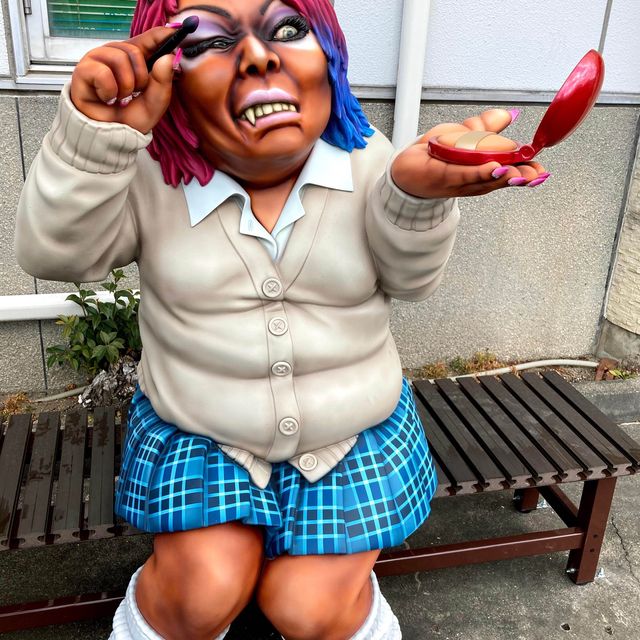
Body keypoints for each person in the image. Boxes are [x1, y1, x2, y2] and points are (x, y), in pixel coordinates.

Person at [15, 0, 549, 638]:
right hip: (203, 431)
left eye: (288, 29)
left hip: (350, 432)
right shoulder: (150, 175)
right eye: (208, 40)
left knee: (308, 609)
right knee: (201, 596)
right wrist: (94, 144)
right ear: (167, 77)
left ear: (329, 53)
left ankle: (337, 585)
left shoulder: (369, 160)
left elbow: (412, 282)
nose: (258, 56)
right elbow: (56, 256)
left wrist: (414, 200)